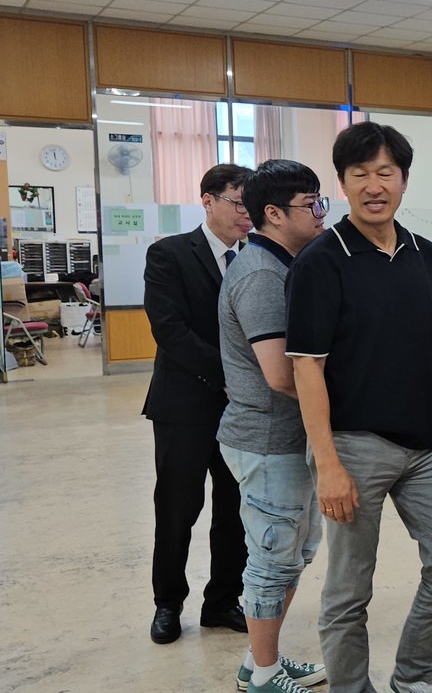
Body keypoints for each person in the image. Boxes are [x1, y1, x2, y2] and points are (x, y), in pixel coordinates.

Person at [286, 122, 432, 693]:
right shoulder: (321, 261)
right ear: (342, 184)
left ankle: (415, 675)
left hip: (430, 445)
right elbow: (306, 368)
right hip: (355, 446)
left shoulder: (428, 256)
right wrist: (328, 464)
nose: (374, 185)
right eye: (360, 174)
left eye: (385, 172)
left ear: (404, 180)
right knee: (350, 588)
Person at [218, 160, 329, 693]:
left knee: (293, 553)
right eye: (311, 205)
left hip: (289, 438)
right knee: (271, 560)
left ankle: (259, 660)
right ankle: (263, 676)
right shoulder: (262, 274)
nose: (322, 214)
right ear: (274, 214)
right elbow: (282, 375)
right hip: (267, 441)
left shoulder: (284, 265)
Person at [143, 163, 252, 645]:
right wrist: (229, 376)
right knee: (177, 509)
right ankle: (168, 603)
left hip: (241, 410)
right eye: (238, 203)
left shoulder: (257, 257)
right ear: (207, 200)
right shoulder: (169, 254)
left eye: (252, 205)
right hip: (184, 405)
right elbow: (170, 330)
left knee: (235, 510)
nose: (247, 214)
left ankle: (223, 600)